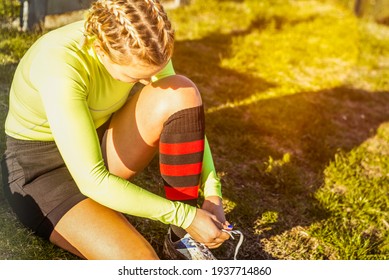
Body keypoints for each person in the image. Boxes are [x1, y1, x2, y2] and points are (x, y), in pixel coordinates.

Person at [1, 0, 233, 260]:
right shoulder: (59, 65)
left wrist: (213, 192)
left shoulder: (144, 43)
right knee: (143, 265)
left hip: (99, 142)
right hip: (42, 172)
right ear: (100, 49)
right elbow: (92, 179)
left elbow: (185, 114)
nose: (148, 83)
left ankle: (183, 240)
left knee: (180, 91)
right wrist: (183, 213)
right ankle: (180, 222)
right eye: (136, 78)